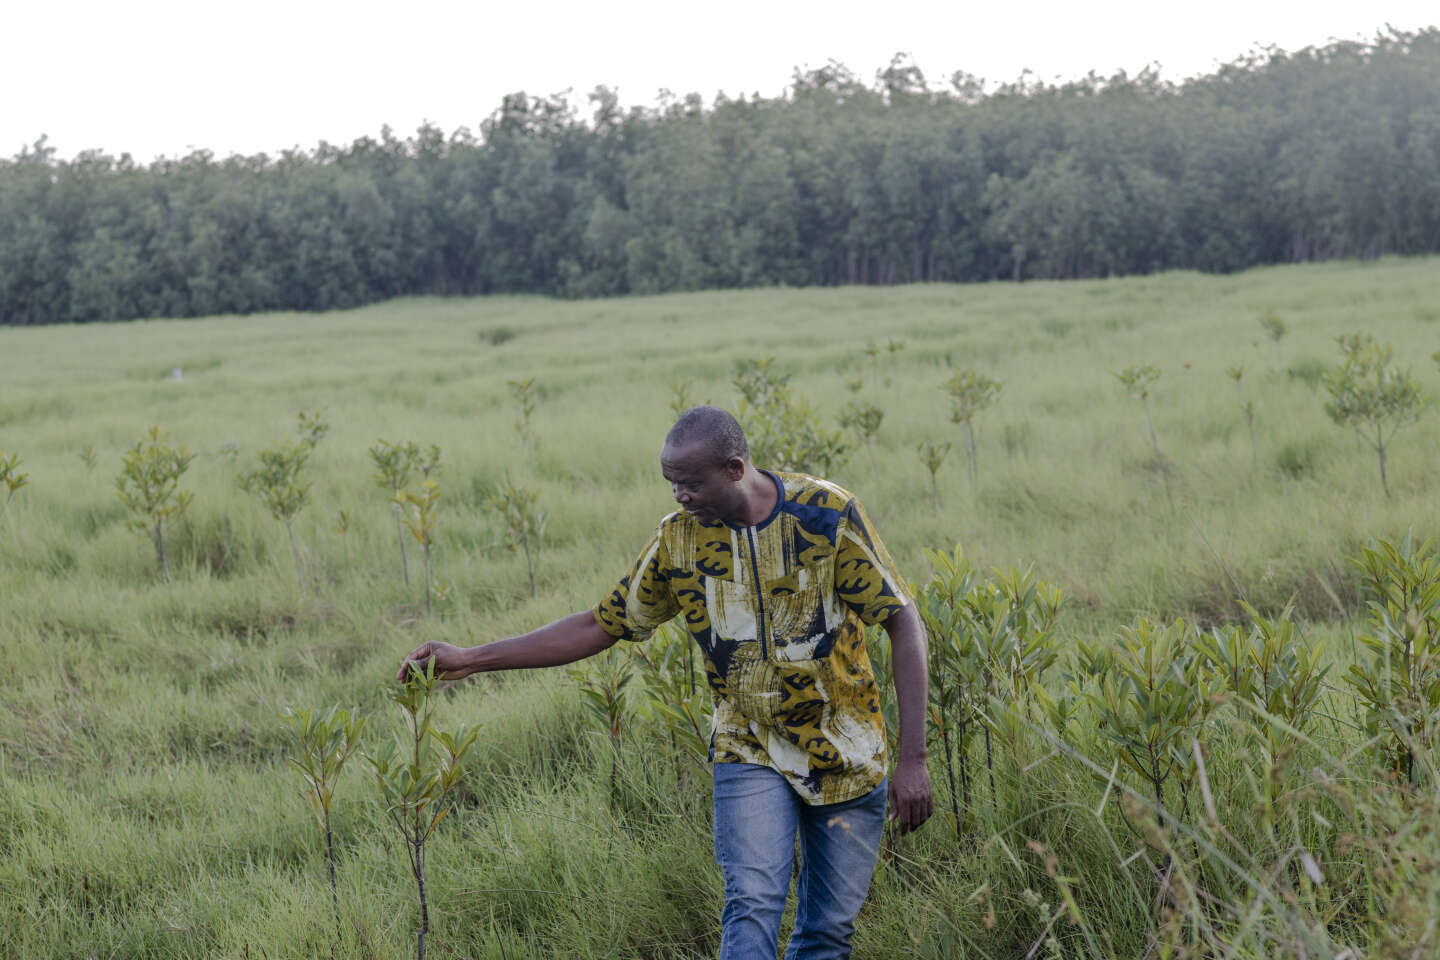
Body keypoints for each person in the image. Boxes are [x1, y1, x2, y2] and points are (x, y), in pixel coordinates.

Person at [397, 405, 933, 959]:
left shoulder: (826, 514)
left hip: (846, 748)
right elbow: (598, 624)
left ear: (733, 467)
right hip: (748, 745)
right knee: (750, 905)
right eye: (671, 484)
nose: (679, 496)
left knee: (827, 933)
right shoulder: (679, 543)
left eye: (690, 484)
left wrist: (913, 760)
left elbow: (902, 620)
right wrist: (470, 659)